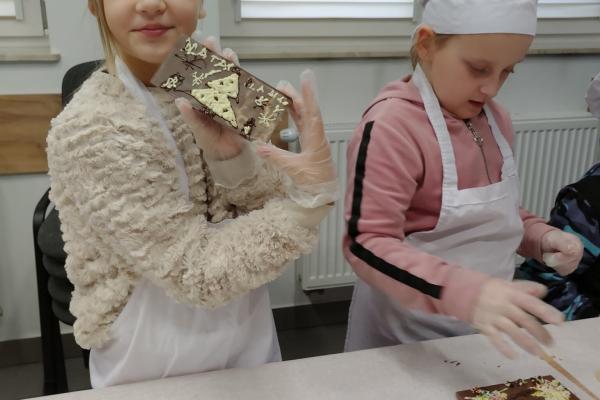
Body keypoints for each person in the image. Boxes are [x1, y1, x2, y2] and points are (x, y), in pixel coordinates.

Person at [47, 0, 336, 388]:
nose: (151, 4)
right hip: (155, 360)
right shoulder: (91, 126)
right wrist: (307, 205)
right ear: (96, 5)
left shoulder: (207, 73)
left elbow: (264, 202)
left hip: (248, 336)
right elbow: (192, 272)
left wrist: (233, 158)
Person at [342, 0, 584, 359]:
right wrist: (466, 294)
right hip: (405, 337)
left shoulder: (496, 121)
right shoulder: (392, 128)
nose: (492, 88)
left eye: (507, 71)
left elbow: (495, 215)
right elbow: (367, 242)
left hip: (481, 331)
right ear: (426, 44)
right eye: (478, 68)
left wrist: (541, 237)